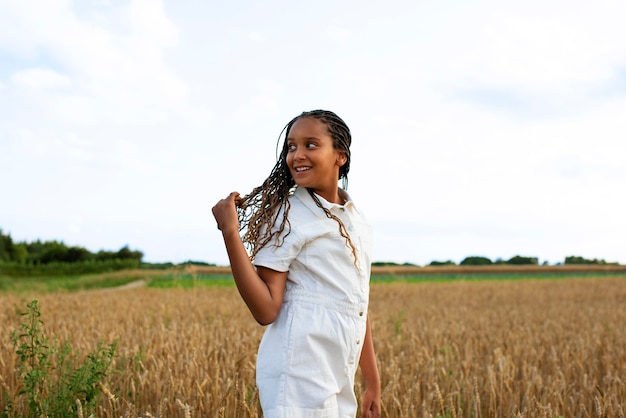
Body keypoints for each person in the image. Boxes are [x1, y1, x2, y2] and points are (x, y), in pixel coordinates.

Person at [212, 109, 381, 418]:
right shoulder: (287, 215)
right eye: (291, 146)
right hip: (298, 374)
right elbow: (265, 310)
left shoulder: (358, 221)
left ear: (339, 156)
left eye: (310, 145)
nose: (297, 155)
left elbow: (358, 304)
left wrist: (372, 381)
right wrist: (229, 232)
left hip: (339, 375)